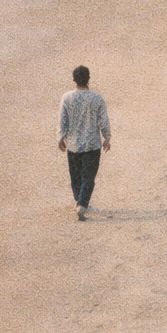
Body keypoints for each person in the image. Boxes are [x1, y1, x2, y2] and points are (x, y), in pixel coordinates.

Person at [58, 65, 111, 220]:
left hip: (73, 144)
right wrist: (107, 138)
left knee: (75, 176)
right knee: (88, 176)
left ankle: (78, 200)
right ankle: (82, 203)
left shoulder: (66, 98)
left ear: (74, 80)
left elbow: (62, 120)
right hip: (91, 144)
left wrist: (60, 137)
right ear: (88, 78)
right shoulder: (96, 98)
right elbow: (103, 121)